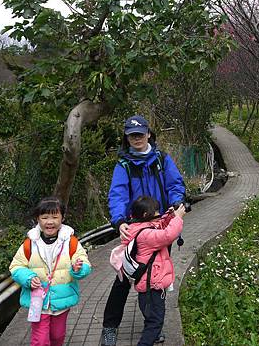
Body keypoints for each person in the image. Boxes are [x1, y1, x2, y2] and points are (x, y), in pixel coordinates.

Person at [101, 115, 186, 346]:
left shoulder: (161, 159)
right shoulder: (124, 165)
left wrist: (177, 202)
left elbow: (175, 184)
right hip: (135, 230)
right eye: (132, 135)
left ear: (149, 133)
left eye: (140, 133)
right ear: (127, 138)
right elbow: (117, 194)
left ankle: (153, 326)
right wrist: (119, 222)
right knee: (124, 277)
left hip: (160, 224)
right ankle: (109, 327)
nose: (137, 138)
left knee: (156, 274)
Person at [9, 197, 91, 346]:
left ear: (62, 218)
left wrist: (78, 268)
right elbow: (16, 266)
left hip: (61, 299)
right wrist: (28, 278)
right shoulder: (29, 244)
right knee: (40, 341)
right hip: (38, 301)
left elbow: (84, 262)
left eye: (54, 217)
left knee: (57, 336)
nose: (49, 221)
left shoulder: (71, 242)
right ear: (38, 219)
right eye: (45, 217)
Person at [109, 196, 185, 346]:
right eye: (156, 211)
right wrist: (178, 218)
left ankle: (151, 336)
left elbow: (159, 225)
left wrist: (169, 216)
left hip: (149, 285)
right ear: (145, 215)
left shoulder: (138, 227)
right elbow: (167, 235)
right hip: (152, 285)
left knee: (152, 318)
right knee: (156, 322)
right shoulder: (145, 235)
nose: (158, 214)